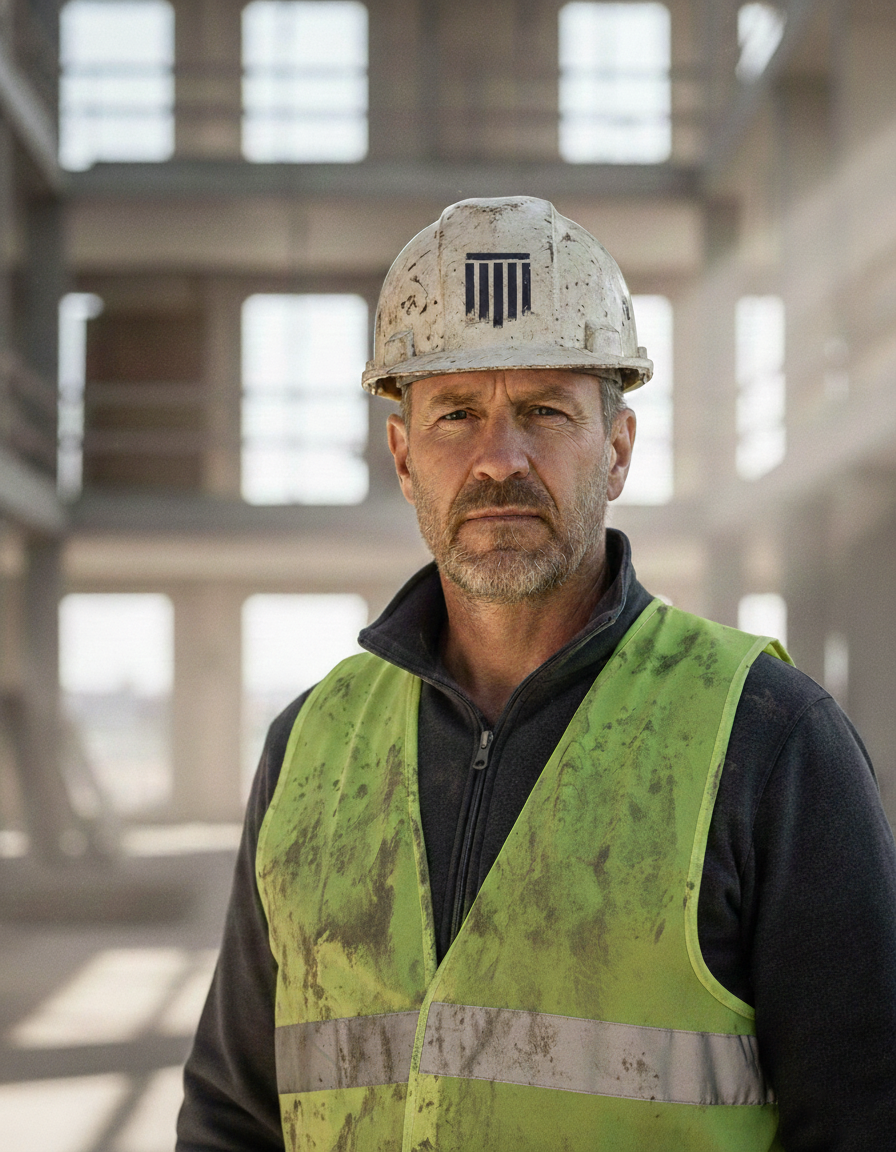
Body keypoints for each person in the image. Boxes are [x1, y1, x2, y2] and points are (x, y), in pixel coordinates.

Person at [177, 197, 896, 1152]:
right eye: (456, 415)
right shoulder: (309, 748)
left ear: (619, 450)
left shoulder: (766, 739)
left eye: (545, 411)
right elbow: (233, 1117)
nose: (497, 460)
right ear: (402, 455)